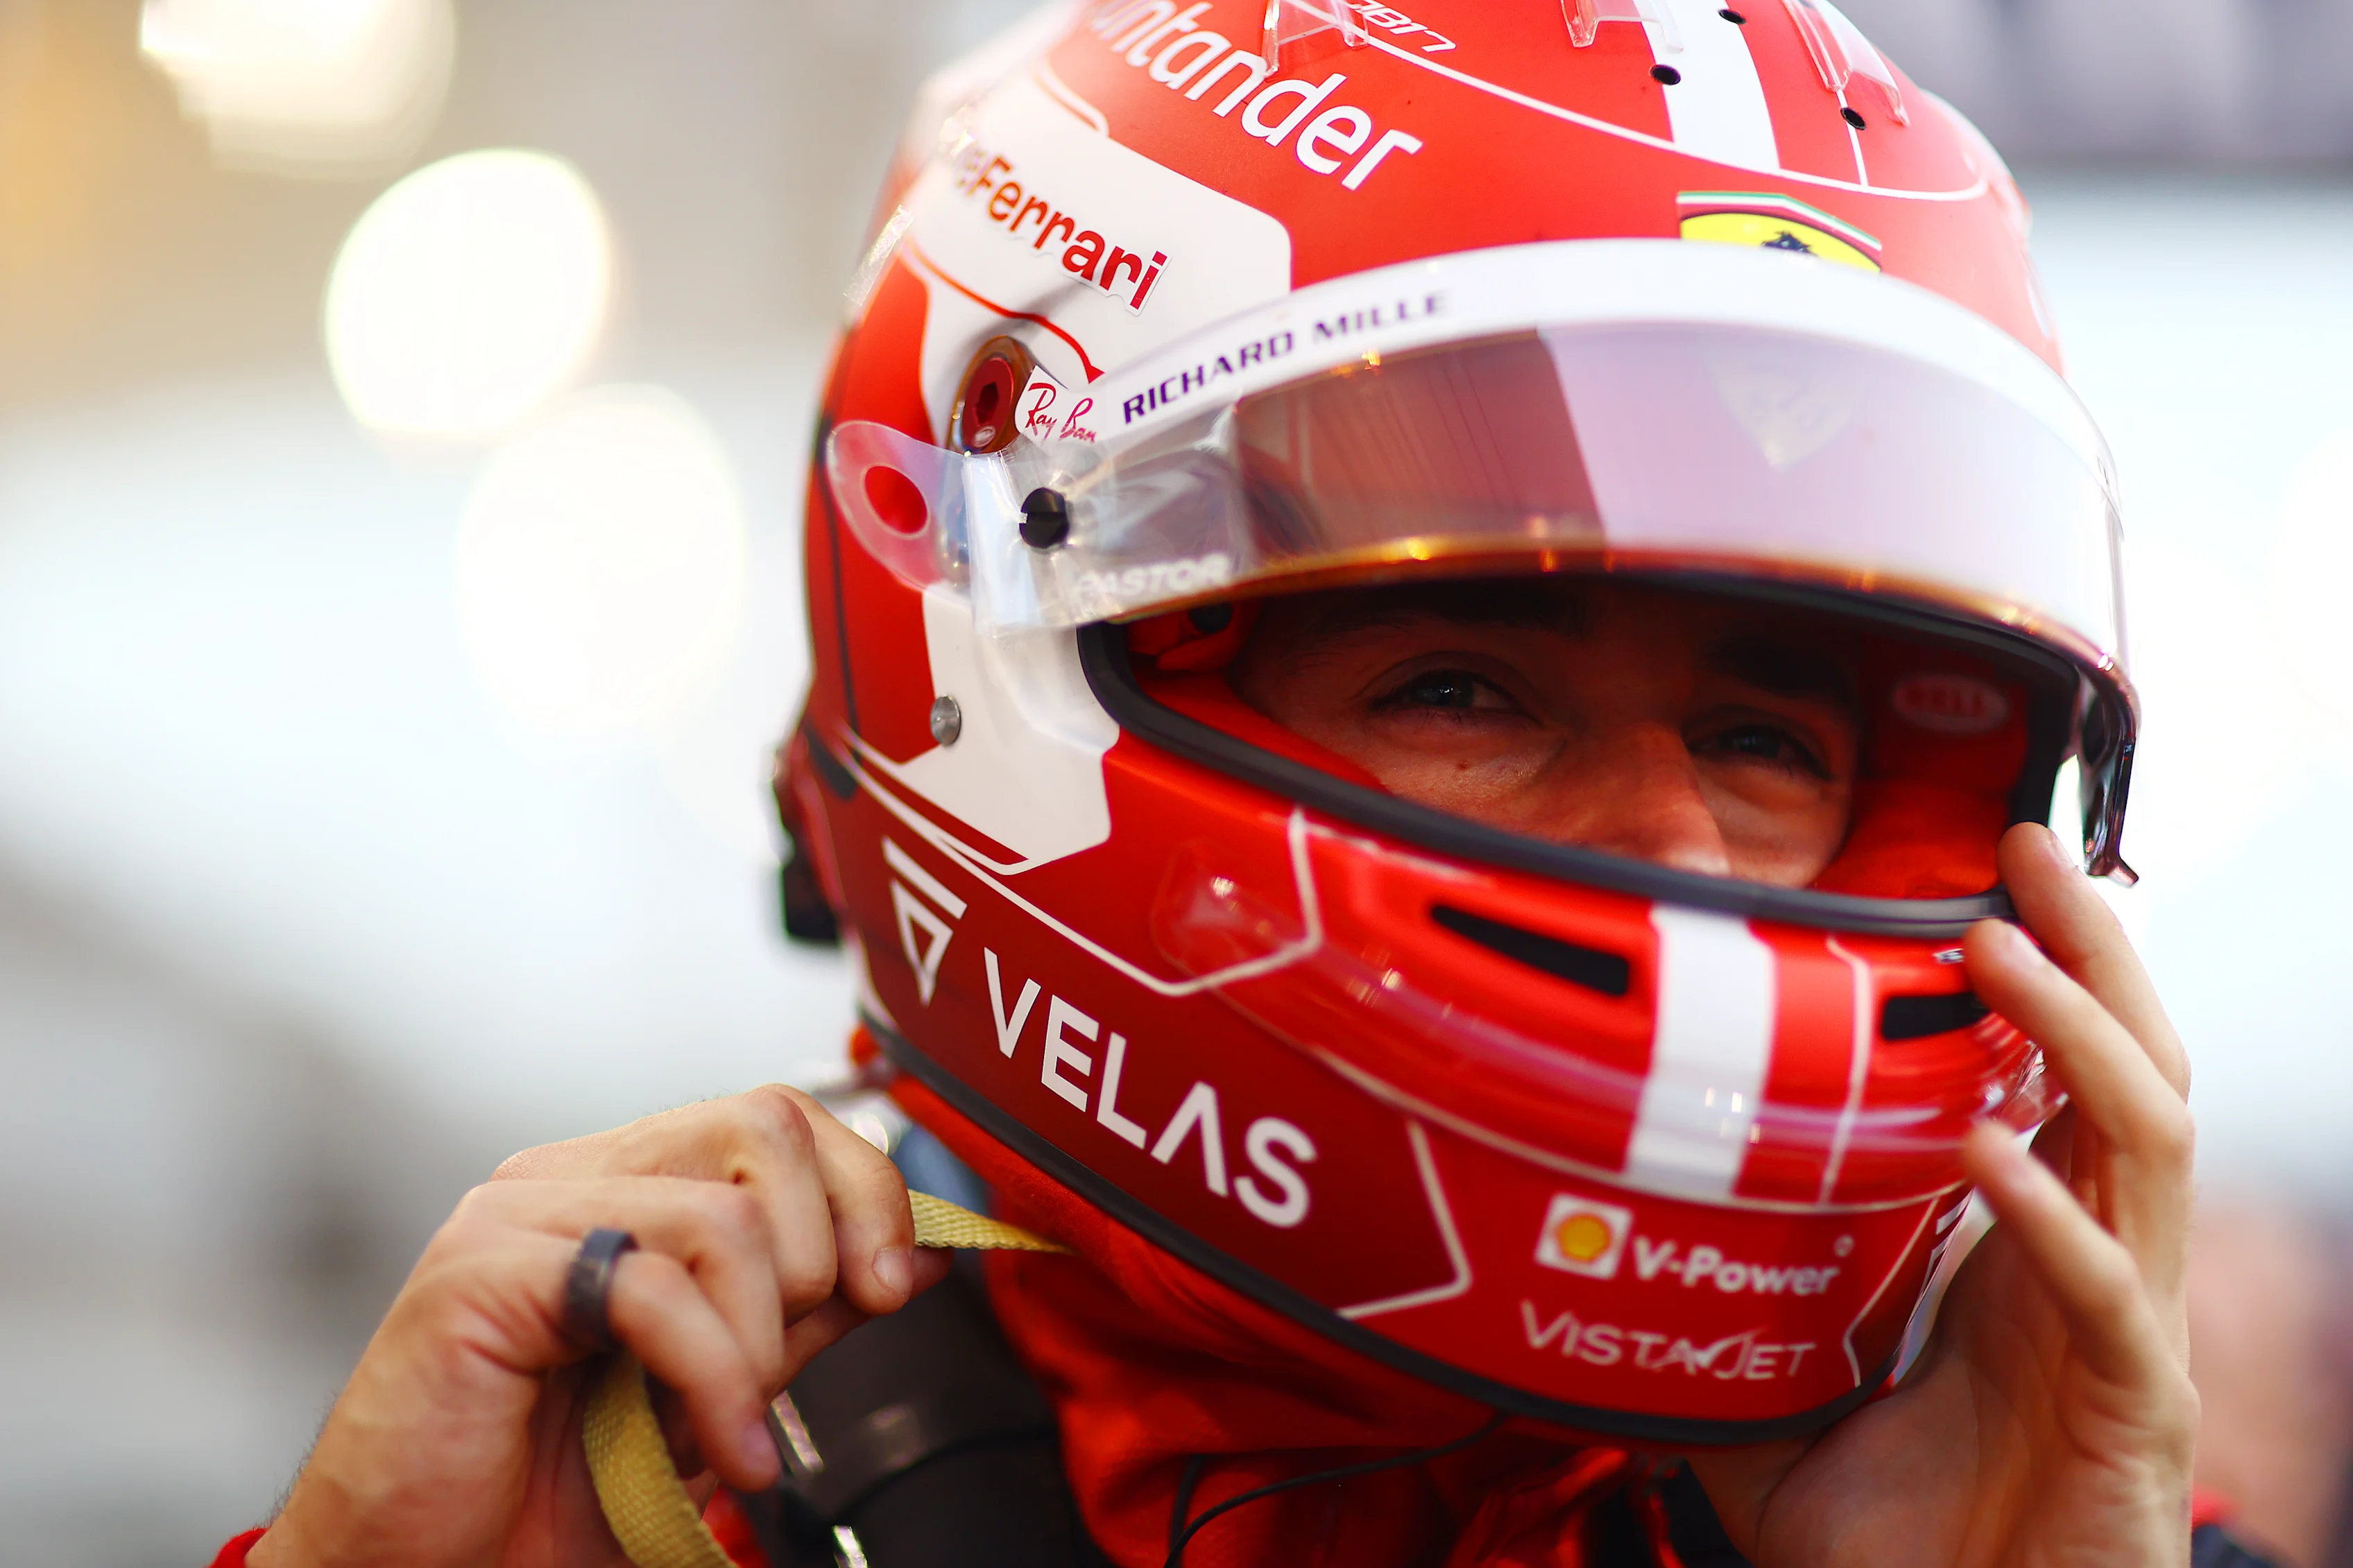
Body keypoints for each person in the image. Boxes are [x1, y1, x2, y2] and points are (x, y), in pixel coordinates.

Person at [216, 1, 2270, 1563]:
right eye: (1467, 682)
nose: (1668, 840)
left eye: (1764, 740)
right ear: (988, 649)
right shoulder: (641, 1495)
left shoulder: (2015, 1499)